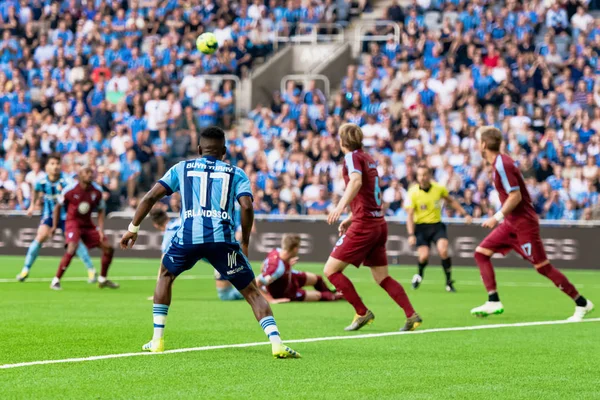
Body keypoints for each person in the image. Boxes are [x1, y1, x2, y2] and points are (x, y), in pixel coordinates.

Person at [119, 126, 300, 358]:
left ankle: (157, 340)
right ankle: (276, 343)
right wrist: (244, 241)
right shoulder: (237, 173)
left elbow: (150, 197)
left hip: (188, 238)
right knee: (252, 292)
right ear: (224, 151)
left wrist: (132, 229)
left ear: (198, 149)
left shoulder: (181, 168)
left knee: (165, 274)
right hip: (222, 241)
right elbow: (246, 207)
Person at [471, 126, 594, 321]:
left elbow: (516, 195)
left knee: (543, 267)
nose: (476, 144)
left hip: (523, 224)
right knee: (481, 253)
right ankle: (493, 300)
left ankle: (582, 303)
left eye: (477, 140)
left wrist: (497, 216)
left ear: (483, 144)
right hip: (511, 224)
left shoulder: (503, 164)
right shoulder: (499, 164)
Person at [324, 123, 421, 332]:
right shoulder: (368, 159)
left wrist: (340, 207)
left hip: (365, 225)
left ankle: (361, 312)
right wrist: (351, 215)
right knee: (382, 277)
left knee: (331, 270)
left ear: (343, 141)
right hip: (378, 223)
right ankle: (411, 315)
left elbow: (356, 182)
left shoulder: (351, 157)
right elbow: (367, 194)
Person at [17, 154, 96, 282]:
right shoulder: (41, 181)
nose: (55, 167)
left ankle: (91, 270)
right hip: (49, 215)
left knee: (74, 243)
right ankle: (25, 269)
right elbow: (36, 191)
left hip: (67, 217)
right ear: (47, 166)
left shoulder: (67, 181)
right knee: (40, 236)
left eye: (57, 164)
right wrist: (32, 206)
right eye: (52, 164)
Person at [150, 205, 243, 302]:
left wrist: (160, 293)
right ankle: (256, 285)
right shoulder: (182, 220)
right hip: (222, 247)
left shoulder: (171, 231)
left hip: (221, 252)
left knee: (226, 295)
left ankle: (258, 284)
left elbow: (165, 265)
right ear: (167, 216)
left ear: (155, 225)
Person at [50, 166, 119, 290]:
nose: (90, 175)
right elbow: (57, 207)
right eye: (87, 172)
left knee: (108, 248)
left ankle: (102, 279)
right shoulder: (70, 190)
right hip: (72, 222)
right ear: (80, 174)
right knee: (72, 247)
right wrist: (54, 226)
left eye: (91, 173)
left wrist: (101, 230)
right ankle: (56, 280)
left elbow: (101, 209)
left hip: (87, 224)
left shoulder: (97, 191)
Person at [405, 165, 472, 292]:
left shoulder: (438, 189)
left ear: (429, 175)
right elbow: (410, 215)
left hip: (436, 225)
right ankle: (419, 274)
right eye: (420, 175)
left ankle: (448, 282)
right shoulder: (413, 192)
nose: (422, 178)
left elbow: (451, 201)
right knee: (424, 256)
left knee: (443, 251)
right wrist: (411, 234)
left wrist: (464, 214)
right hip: (421, 227)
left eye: (424, 174)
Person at [256, 234, 342, 303]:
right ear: (295, 249)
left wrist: (287, 265)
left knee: (317, 278)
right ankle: (334, 296)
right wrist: (271, 300)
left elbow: (263, 265)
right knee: (321, 296)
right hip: (286, 292)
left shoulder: (276, 251)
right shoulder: (277, 269)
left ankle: (331, 292)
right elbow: (257, 283)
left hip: (290, 277)